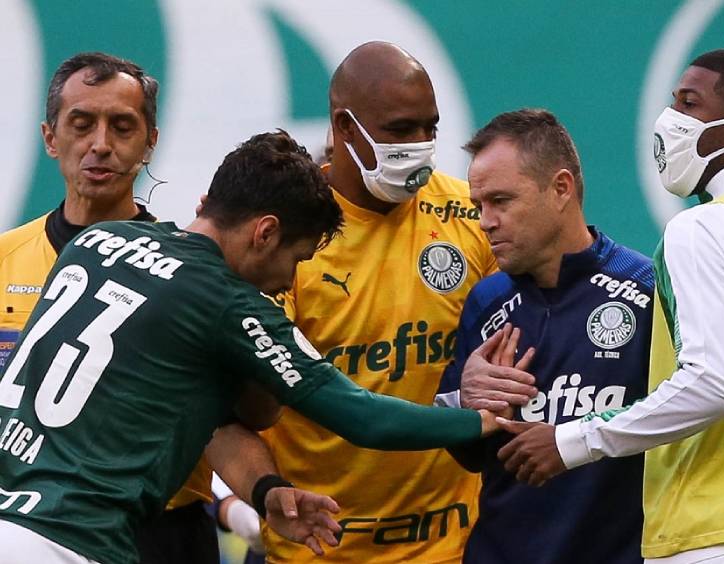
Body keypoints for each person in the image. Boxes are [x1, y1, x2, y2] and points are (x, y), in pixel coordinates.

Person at [0, 129, 508, 564]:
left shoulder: (95, 242)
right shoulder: (227, 303)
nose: (289, 280)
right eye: (298, 257)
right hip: (70, 542)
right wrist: (480, 419)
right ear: (265, 233)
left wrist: (265, 493)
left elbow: (215, 422)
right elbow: (363, 416)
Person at [0, 51, 327, 564]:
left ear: (151, 142)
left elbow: (230, 421)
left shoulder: (194, 278)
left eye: (123, 126)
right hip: (28, 528)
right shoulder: (3, 260)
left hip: (163, 532)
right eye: (81, 124)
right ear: (48, 136)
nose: (100, 145)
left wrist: (262, 492)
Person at [497, 49, 724, 563]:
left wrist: (574, 441)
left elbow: (716, 383)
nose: (670, 121)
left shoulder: (704, 228)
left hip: (715, 532)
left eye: (689, 104)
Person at [259, 41, 499, 563]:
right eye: (399, 129)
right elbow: (247, 406)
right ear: (345, 128)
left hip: (452, 548)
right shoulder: (287, 239)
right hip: (316, 551)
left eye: (430, 128)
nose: (420, 145)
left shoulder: (471, 216)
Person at [434, 109, 653, 564]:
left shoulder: (647, 290)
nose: (485, 222)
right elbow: (468, 455)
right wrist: (467, 402)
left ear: (560, 189)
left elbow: (688, 415)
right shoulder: (486, 301)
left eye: (501, 201)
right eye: (479, 206)